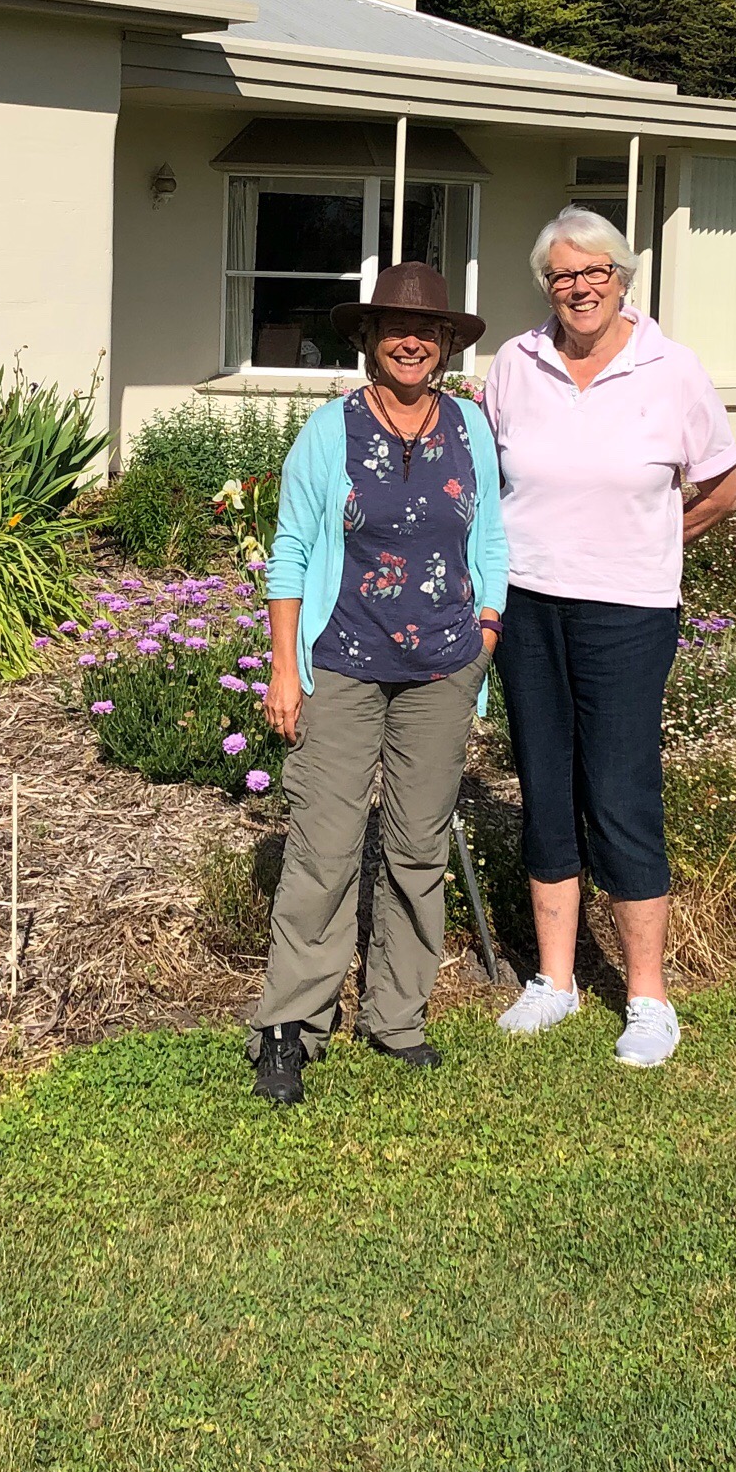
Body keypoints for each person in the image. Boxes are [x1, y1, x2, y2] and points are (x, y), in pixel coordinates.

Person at [480, 207, 736, 1069]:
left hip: (628, 613)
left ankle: (647, 998)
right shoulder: (514, 364)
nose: (579, 287)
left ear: (622, 279)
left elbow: (723, 488)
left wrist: (657, 538)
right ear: (546, 285)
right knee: (545, 785)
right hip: (528, 606)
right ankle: (554, 981)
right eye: (562, 275)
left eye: (595, 272)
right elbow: (486, 480)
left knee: (622, 791)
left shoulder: (672, 369)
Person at [249, 261, 509, 1106]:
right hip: (343, 663)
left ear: (445, 344)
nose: (411, 341)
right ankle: (292, 1026)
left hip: (443, 668)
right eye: (395, 327)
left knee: (417, 848)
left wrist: (486, 630)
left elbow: (492, 539)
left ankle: (397, 1017)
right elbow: (292, 549)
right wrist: (283, 667)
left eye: (426, 330)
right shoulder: (330, 431)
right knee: (322, 850)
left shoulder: (469, 428)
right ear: (367, 337)